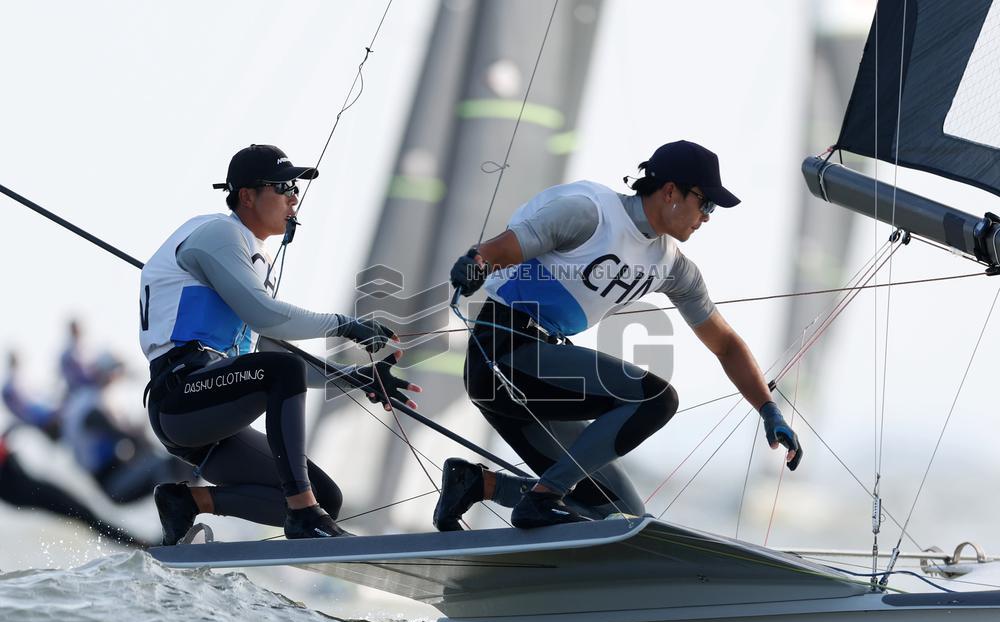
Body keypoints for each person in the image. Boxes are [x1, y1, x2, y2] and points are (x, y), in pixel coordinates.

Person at [437, 140, 802, 530]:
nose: (707, 217)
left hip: (539, 379)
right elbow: (502, 248)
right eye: (705, 203)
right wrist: (476, 263)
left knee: (622, 517)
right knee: (657, 400)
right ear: (670, 192)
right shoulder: (589, 213)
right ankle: (542, 500)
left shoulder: (673, 268)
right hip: (502, 357)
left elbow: (726, 344)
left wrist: (768, 407)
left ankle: (478, 484)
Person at [140, 144, 419, 545]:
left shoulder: (252, 255)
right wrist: (345, 326)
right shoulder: (219, 234)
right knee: (285, 386)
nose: (294, 197)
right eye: (283, 186)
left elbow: (265, 359)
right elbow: (267, 319)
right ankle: (304, 514)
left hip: (214, 411)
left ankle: (187, 501)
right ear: (247, 196)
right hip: (180, 397)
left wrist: (355, 378)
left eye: (296, 188)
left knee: (329, 497)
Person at [61, 352, 191, 503]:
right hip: (110, 484)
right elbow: (115, 431)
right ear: (109, 374)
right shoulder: (91, 403)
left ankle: (180, 507)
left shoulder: (85, 397)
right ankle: (179, 513)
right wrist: (138, 435)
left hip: (110, 475)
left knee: (158, 457)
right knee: (168, 463)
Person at [0, 425, 148, 547]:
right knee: (82, 514)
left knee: (85, 513)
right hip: (16, 486)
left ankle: (140, 543)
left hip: (16, 479)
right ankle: (141, 545)